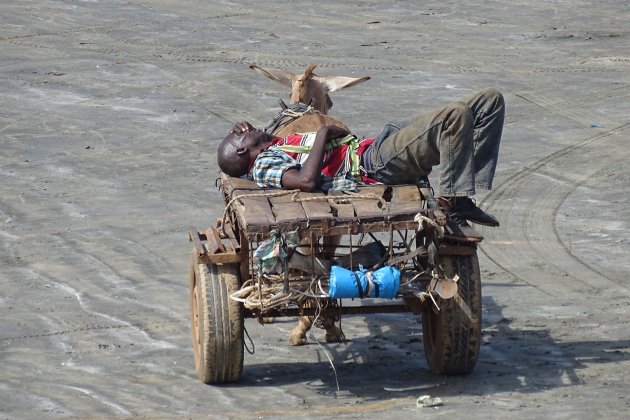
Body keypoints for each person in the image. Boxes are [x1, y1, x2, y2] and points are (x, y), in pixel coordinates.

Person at [217, 88, 505, 239]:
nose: (248, 129)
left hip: (378, 146)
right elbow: (306, 182)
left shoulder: (272, 145)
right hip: (374, 164)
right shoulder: (263, 164)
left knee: (490, 100)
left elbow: (267, 135)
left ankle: (464, 192)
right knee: (454, 115)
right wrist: (324, 132)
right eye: (243, 134)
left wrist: (250, 131)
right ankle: (454, 200)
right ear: (243, 151)